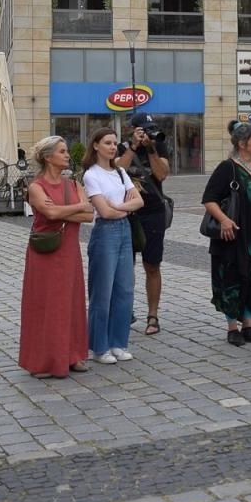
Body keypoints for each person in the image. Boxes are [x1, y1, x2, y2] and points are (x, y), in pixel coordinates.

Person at [203, 122, 251, 345]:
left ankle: (248, 326)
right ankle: (232, 328)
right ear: (242, 144)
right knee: (233, 280)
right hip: (235, 237)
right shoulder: (228, 168)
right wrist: (224, 220)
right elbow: (209, 199)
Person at [21, 135, 93, 378]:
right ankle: (43, 361)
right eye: (62, 151)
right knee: (45, 305)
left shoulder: (74, 184)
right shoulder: (36, 187)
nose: (67, 155)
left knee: (70, 303)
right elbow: (49, 213)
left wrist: (62, 211)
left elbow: (89, 216)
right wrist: (76, 207)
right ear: (48, 157)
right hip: (45, 255)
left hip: (69, 253)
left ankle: (72, 355)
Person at [82, 126, 144, 364]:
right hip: (105, 234)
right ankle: (99, 346)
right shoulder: (91, 174)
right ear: (96, 145)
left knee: (125, 289)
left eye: (114, 142)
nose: (112, 146)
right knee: (103, 291)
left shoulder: (119, 172)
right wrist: (119, 209)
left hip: (125, 231)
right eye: (107, 142)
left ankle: (118, 342)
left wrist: (117, 207)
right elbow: (103, 211)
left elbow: (138, 201)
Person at [119, 112, 172, 336]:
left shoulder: (159, 146)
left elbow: (161, 175)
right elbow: (117, 171)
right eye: (144, 129)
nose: (148, 132)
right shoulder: (121, 147)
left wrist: (150, 148)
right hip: (128, 214)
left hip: (153, 213)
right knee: (124, 267)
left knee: (152, 265)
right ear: (133, 129)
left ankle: (153, 315)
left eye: (151, 128)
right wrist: (133, 147)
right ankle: (125, 310)